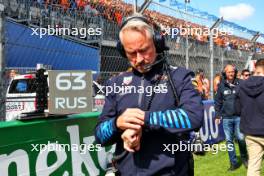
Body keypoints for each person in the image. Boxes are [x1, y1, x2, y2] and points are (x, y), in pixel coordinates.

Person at [94, 14, 204, 176]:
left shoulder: (180, 77)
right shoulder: (115, 83)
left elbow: (193, 117)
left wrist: (144, 119)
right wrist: (117, 124)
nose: (139, 59)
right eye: (131, 53)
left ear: (157, 44)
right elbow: (99, 136)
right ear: (123, 51)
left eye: (144, 50)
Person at [214, 64, 248, 171]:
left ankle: (244, 157)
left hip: (239, 117)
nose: (231, 74)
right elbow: (218, 102)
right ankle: (233, 163)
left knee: (241, 139)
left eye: (232, 72)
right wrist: (217, 115)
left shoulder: (241, 83)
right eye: (229, 72)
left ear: (235, 72)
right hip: (226, 118)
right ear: (225, 73)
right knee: (229, 141)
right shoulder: (221, 85)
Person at [235, 59, 264, 176]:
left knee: (253, 166)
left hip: (250, 131)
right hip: (255, 129)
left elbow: (237, 110)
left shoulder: (242, 85)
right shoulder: (242, 85)